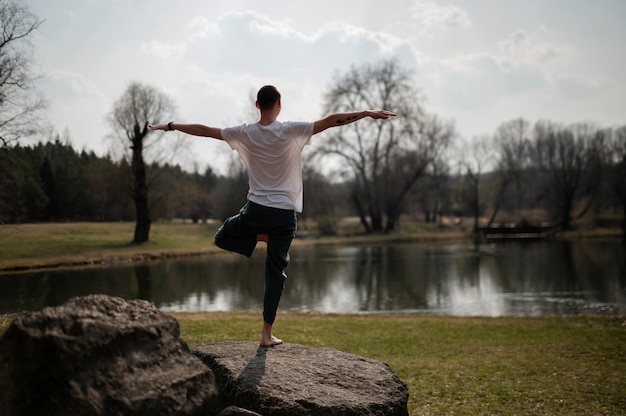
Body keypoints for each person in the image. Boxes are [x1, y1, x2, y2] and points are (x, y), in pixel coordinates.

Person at [149, 85, 395, 346]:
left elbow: (205, 131)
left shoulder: (245, 133)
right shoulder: (292, 130)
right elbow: (332, 121)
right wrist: (366, 112)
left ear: (257, 105)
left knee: (221, 237)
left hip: (256, 211)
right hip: (284, 216)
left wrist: (172, 125)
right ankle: (266, 334)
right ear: (279, 104)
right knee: (275, 273)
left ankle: (259, 236)